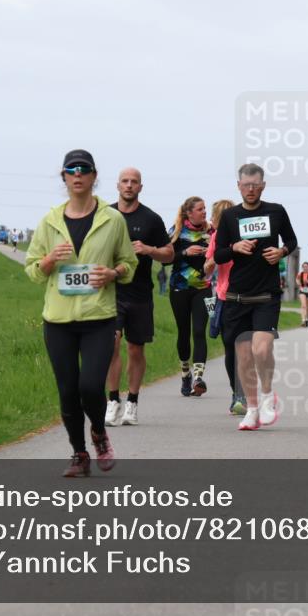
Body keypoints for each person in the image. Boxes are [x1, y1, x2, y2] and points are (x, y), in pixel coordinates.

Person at [24, 149, 137, 476]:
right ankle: (79, 454)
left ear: (93, 176)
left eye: (83, 169)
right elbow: (32, 270)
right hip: (58, 320)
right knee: (68, 391)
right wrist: (47, 262)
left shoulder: (112, 220)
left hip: (98, 319)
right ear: (63, 177)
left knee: (90, 387)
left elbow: (129, 264)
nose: (77, 175)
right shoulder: (50, 221)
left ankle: (99, 433)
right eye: (71, 170)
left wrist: (112, 273)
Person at [213, 163, 297, 431]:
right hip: (237, 295)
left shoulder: (276, 211)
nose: (251, 189)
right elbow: (218, 255)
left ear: (263, 185)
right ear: (238, 186)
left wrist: (281, 252)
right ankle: (251, 409)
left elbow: (292, 241)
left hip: (266, 293)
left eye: (255, 185)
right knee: (244, 356)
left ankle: (267, 395)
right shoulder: (229, 217)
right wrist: (235, 247)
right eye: (246, 185)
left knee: (262, 349)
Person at [105, 168, 173, 427]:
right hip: (111, 291)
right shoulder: (105, 216)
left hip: (140, 292)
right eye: (125, 181)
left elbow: (169, 255)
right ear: (117, 185)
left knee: (135, 348)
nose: (129, 186)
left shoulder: (151, 219)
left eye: (134, 182)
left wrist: (149, 249)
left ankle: (132, 401)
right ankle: (113, 401)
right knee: (111, 342)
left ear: (140, 187)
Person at [168, 197, 213, 397]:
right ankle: (185, 373)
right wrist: (185, 252)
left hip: (204, 288)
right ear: (189, 213)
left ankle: (198, 378)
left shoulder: (212, 231)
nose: (204, 212)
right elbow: (165, 260)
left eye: (205, 208)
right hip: (180, 288)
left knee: (199, 331)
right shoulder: (176, 232)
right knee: (184, 332)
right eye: (200, 209)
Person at [204, 198, 246, 415]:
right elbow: (207, 269)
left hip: (248, 296)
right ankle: (237, 394)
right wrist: (210, 264)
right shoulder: (216, 239)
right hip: (224, 296)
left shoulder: (248, 236)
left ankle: (245, 392)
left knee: (245, 348)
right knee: (230, 347)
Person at [296, 262, 308, 327]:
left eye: (306, 266)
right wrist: (298, 283)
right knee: (303, 305)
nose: (305, 268)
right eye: (304, 266)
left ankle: (307, 319)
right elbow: (297, 279)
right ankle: (303, 320)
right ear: (302, 267)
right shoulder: (300, 273)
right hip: (302, 291)